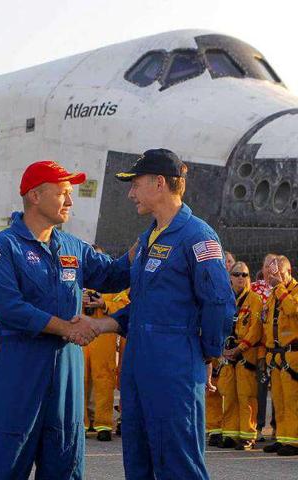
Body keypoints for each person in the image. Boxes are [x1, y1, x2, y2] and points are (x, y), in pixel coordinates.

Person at [0, 160, 133, 479]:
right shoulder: (3, 247)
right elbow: (10, 306)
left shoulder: (73, 247)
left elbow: (113, 275)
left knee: (66, 465)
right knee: (9, 466)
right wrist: (67, 328)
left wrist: (145, 245)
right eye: (63, 192)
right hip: (20, 374)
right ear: (35, 196)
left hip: (66, 375)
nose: (70, 200)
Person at [91, 149, 234, 479]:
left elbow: (219, 302)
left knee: (179, 464)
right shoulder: (146, 240)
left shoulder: (197, 236)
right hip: (139, 365)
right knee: (138, 461)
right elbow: (129, 293)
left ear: (159, 183)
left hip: (175, 369)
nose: (130, 193)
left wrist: (209, 354)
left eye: (135, 184)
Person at [216, 261, 262, 450]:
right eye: (236, 274)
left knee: (246, 396)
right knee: (228, 395)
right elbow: (217, 325)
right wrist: (222, 349)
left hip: (245, 355)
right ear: (230, 277)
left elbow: (255, 329)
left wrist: (239, 348)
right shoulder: (224, 300)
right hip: (227, 355)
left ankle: (248, 435)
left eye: (244, 274)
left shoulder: (255, 300)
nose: (241, 278)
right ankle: (230, 433)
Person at [260, 256, 298, 456]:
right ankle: (284, 438)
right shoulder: (274, 295)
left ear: (289, 272)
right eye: (273, 275)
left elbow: (292, 309)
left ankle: (294, 441)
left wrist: (279, 288)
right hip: (276, 356)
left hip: (293, 355)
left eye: (279, 274)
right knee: (279, 401)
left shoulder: (291, 291)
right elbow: (268, 324)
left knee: (292, 401)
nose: (275, 278)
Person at [82, 284, 129, 441]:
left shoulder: (116, 287)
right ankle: (81, 423)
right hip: (79, 336)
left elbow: (124, 310)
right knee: (80, 380)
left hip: (104, 337)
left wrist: (103, 304)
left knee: (104, 380)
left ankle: (104, 424)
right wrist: (79, 301)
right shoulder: (75, 282)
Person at [251, 253, 278, 442]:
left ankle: (278, 427)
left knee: (278, 391)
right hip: (258, 348)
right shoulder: (254, 289)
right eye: (268, 264)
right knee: (259, 389)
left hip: (278, 348)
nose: (271, 268)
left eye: (275, 264)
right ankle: (259, 427)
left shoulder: (284, 289)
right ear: (262, 267)